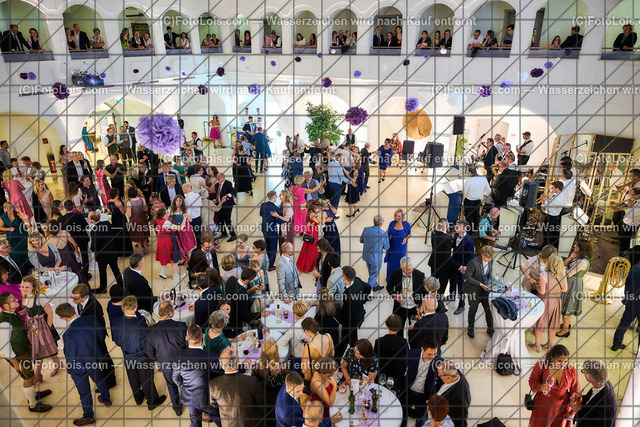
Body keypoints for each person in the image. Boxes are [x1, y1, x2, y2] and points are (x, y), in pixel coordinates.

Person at [56, 302, 112, 424]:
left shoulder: (68, 335)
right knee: (99, 378)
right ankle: (106, 399)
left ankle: (88, 416)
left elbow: (70, 355)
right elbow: (100, 336)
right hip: (93, 358)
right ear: (73, 309)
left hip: (78, 366)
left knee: (84, 392)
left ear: (64, 318)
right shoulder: (91, 319)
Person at [111, 296, 166, 410]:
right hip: (142, 357)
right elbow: (145, 344)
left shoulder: (115, 322)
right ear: (135, 308)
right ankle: (152, 401)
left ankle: (138, 398)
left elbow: (116, 340)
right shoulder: (140, 324)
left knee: (133, 379)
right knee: (147, 379)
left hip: (127, 356)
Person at [144, 300, 188, 416]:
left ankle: (177, 408)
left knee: (171, 385)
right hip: (182, 362)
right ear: (171, 313)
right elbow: (188, 345)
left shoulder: (151, 331)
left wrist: (157, 359)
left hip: (164, 363)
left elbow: (149, 351)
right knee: (186, 382)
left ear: (159, 313)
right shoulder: (181, 326)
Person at [173, 324, 220, 427]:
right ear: (202, 336)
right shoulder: (210, 357)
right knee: (219, 416)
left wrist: (184, 387)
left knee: (195, 421)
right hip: (206, 398)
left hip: (189, 397)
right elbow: (221, 371)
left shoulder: (178, 356)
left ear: (186, 338)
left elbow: (175, 378)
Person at [209, 346, 264, 426]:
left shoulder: (212, 385)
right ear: (237, 361)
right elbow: (260, 400)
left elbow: (213, 403)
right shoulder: (251, 381)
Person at [20, 275, 61, 381]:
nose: (24, 289)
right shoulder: (25, 296)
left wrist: (48, 330)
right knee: (41, 350)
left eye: (27, 287)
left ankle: (43, 372)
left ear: (33, 287)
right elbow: (28, 310)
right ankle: (42, 372)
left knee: (46, 350)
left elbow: (50, 313)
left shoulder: (40, 297)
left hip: (43, 326)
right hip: (32, 327)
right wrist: (19, 313)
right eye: (22, 286)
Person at [528, 344, 579, 427]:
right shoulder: (541, 366)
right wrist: (540, 387)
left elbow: (577, 393)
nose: (563, 364)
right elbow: (532, 380)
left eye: (565, 361)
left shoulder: (572, 371)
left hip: (561, 410)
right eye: (559, 361)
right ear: (552, 357)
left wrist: (572, 412)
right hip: (542, 406)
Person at [398, 337, 443, 423]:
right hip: (408, 391)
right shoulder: (411, 354)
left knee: (421, 418)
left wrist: (433, 393)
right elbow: (400, 370)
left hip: (424, 395)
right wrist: (400, 387)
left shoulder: (439, 362)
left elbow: (441, 381)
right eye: (429, 354)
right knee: (403, 414)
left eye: (435, 354)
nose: (432, 357)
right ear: (422, 349)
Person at [530, 254, 568, 352]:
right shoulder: (563, 275)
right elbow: (565, 289)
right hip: (556, 301)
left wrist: (537, 287)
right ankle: (550, 345)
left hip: (545, 301)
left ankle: (537, 345)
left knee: (540, 323)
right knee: (553, 323)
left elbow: (542, 291)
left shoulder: (544, 275)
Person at [556, 240, 592, 338]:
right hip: (570, 282)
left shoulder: (583, 262)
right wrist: (570, 258)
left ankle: (565, 330)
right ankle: (565, 324)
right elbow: (564, 266)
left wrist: (564, 269)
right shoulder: (578, 257)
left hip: (573, 285)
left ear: (581, 248)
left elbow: (568, 273)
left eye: (577, 244)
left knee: (567, 306)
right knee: (566, 304)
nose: (574, 245)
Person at [252, 339, 290, 425]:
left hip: (263, 398)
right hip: (279, 397)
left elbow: (253, 382)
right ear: (276, 352)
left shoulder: (256, 368)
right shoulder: (283, 366)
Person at [463, 245, 495, 338]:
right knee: (473, 310)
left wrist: (490, 282)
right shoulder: (473, 262)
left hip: (484, 290)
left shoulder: (490, 261)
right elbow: (467, 277)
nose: (489, 259)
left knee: (488, 310)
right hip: (473, 290)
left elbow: (489, 274)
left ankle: (490, 329)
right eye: (488, 257)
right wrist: (480, 284)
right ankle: (470, 328)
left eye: (491, 257)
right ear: (482, 254)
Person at [572, 360, 617, 426]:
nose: (582, 372)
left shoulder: (607, 406)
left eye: (583, 372)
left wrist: (579, 411)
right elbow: (592, 399)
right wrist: (582, 398)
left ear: (590, 378)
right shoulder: (602, 382)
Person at [88, 211, 123, 293]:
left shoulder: (94, 230)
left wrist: (92, 248)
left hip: (102, 256)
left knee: (102, 272)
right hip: (112, 251)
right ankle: (121, 286)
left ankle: (103, 288)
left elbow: (94, 246)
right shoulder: (107, 224)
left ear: (92, 220)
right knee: (116, 270)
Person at [387, 256, 425, 329]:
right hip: (399, 307)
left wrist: (422, 308)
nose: (410, 271)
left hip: (415, 308)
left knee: (414, 330)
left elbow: (424, 293)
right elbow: (389, 287)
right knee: (398, 329)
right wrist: (395, 295)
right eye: (408, 269)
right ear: (401, 267)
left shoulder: (420, 275)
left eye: (412, 268)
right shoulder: (395, 273)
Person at [612, 263, 640, 351]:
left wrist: (628, 297)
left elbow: (627, 284)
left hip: (631, 302)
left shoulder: (635, 268)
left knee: (624, 323)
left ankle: (616, 344)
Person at [341, 266, 371, 348]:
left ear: (344, 277)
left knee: (351, 337)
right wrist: (363, 300)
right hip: (359, 312)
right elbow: (368, 287)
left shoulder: (348, 296)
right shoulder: (357, 280)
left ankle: (353, 349)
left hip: (351, 321)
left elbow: (349, 315)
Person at [435, 360, 470, 427]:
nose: (438, 375)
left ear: (448, 377)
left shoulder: (458, 401)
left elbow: (460, 423)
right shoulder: (455, 373)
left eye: (439, 375)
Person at [451, 220, 475, 316]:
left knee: (461, 287)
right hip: (455, 264)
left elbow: (471, 257)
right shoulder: (456, 235)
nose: (456, 228)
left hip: (463, 267)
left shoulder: (469, 241)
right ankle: (452, 295)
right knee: (452, 281)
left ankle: (461, 305)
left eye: (458, 226)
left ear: (464, 229)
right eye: (456, 226)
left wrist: (465, 267)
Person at [374, 314, 408, 380]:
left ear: (387, 325)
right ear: (399, 328)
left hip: (381, 375)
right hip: (397, 375)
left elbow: (375, 360)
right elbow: (406, 360)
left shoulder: (378, 341)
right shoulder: (403, 342)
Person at [385, 209, 412, 283]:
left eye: (399, 216)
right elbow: (387, 232)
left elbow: (410, 234)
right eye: (395, 216)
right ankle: (390, 279)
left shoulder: (406, 225)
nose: (397, 217)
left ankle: (398, 280)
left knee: (400, 264)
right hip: (392, 247)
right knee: (391, 264)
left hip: (401, 249)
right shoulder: (392, 223)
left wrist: (406, 238)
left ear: (402, 217)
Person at [462, 166, 491, 232]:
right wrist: (484, 195)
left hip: (469, 201)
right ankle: (475, 229)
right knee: (476, 215)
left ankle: (469, 231)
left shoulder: (468, 180)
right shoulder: (483, 179)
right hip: (478, 201)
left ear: (470, 173)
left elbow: (464, 192)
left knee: (468, 216)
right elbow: (489, 190)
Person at [296, 201, 322, 273]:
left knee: (308, 247)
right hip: (313, 232)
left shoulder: (310, 212)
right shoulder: (312, 213)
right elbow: (319, 221)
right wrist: (317, 215)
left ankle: (307, 265)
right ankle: (308, 266)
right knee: (313, 249)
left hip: (312, 231)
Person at [429, 219, 453, 295]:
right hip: (443, 265)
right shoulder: (447, 239)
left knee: (433, 283)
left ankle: (432, 296)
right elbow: (447, 255)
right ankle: (439, 298)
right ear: (446, 226)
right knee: (442, 285)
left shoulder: (433, 234)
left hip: (434, 262)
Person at [211, 173, 237, 242]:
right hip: (219, 205)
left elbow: (233, 191)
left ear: (223, 178)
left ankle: (233, 235)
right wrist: (215, 200)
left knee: (227, 220)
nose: (217, 179)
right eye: (217, 178)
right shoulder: (217, 185)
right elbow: (217, 194)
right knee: (220, 220)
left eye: (219, 178)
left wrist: (227, 195)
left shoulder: (228, 183)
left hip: (227, 205)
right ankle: (224, 233)